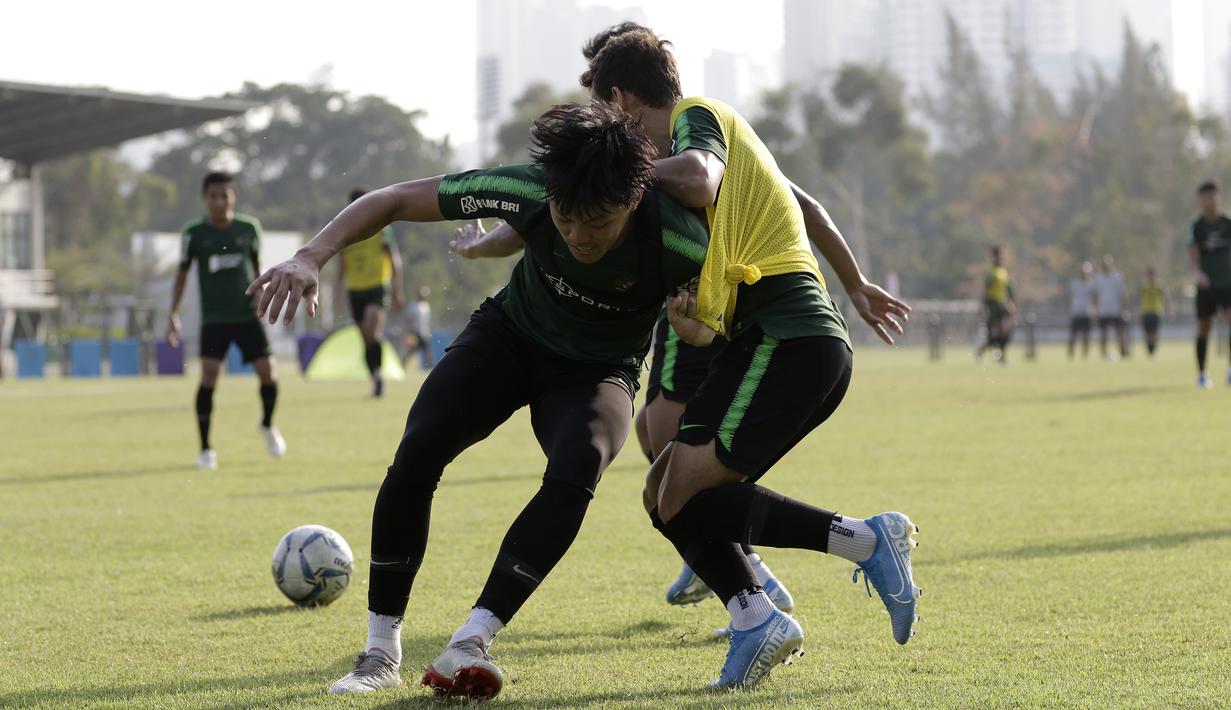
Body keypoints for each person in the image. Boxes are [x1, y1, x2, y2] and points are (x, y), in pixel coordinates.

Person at [248, 103, 711, 700]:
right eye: (566, 219)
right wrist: (311, 254)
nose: (577, 235)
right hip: (508, 341)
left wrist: (698, 329)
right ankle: (379, 652)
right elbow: (391, 200)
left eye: (596, 222)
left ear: (634, 196)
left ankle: (472, 638)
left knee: (578, 467)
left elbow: (718, 326)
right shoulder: (527, 190)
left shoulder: (681, 238)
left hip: (598, 371)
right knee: (417, 453)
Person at [584, 27, 919, 688]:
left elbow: (700, 181)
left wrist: (620, 174)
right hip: (770, 342)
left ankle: (861, 545)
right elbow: (804, 205)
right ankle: (757, 613)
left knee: (676, 490)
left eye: (604, 114)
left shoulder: (695, 120)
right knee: (662, 492)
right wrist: (697, 326)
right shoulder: (718, 142)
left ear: (621, 99)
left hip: (789, 337)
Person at [165, 171, 285, 470]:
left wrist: (263, 296)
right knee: (208, 379)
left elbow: (258, 268)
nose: (219, 202)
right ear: (205, 199)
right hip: (214, 319)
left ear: (234, 197)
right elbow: (181, 276)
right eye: (213, 196)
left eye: (225, 195)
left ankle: (268, 424)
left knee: (269, 373)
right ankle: (206, 449)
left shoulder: (248, 228)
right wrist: (173, 315)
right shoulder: (194, 233)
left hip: (246, 316)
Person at [335, 188, 404, 397]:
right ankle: (376, 377)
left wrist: (397, 291)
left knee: (371, 330)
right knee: (365, 337)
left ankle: (378, 375)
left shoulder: (381, 229)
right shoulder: (345, 231)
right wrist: (336, 292)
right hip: (355, 290)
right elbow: (341, 265)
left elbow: (395, 261)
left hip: (377, 286)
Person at [1187, 181, 1231, 387]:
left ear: (1218, 197)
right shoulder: (1196, 227)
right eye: (1205, 198)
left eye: (1213, 196)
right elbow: (1193, 257)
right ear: (1200, 200)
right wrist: (1197, 274)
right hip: (1207, 286)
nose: (1209, 201)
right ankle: (1202, 374)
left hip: (1228, 283)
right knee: (1204, 327)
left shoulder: (1227, 223)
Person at [976, 245, 1015, 364]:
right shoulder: (991, 272)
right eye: (998, 256)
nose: (1000, 258)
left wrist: (1011, 302)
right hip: (992, 304)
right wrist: (982, 305)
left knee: (1006, 329)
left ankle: (995, 353)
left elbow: (1008, 289)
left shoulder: (1004, 271)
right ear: (993, 257)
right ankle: (990, 352)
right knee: (997, 331)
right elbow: (985, 289)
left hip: (1002, 303)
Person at [1095, 254, 1127, 360]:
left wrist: (1122, 309)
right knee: (1104, 334)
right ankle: (1103, 354)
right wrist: (1096, 309)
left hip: (1116, 309)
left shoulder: (1118, 277)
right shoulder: (1098, 278)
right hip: (1103, 310)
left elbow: (1122, 294)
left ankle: (1123, 352)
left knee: (1119, 332)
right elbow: (1096, 295)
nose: (1106, 265)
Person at [401, 286, 434, 368]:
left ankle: (429, 367)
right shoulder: (413, 305)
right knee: (411, 351)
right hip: (414, 332)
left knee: (427, 351)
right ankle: (402, 365)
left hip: (424, 332)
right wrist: (408, 332)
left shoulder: (426, 306)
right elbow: (408, 319)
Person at [1068, 261, 1096, 359]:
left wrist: (1094, 309)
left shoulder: (1092, 283)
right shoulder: (1074, 283)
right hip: (1076, 312)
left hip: (1087, 312)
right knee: (1073, 335)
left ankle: (1085, 354)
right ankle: (1071, 353)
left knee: (1086, 335)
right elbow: (1071, 297)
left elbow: (1094, 297)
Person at [1139, 266, 1167, 357]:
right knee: (1147, 333)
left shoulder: (1159, 286)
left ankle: (1153, 349)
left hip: (1156, 312)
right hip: (1146, 312)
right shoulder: (1144, 286)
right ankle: (1149, 350)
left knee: (1154, 333)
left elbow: (1164, 299)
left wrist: (1167, 309)